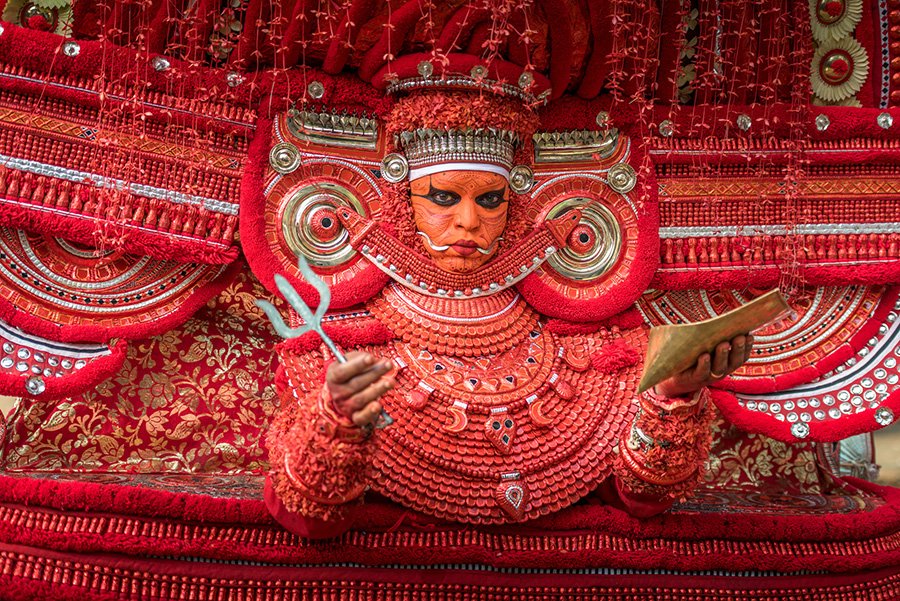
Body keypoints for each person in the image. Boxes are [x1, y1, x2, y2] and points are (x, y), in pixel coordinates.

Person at [264, 81, 753, 538]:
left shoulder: (585, 343)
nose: (470, 220)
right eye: (443, 198)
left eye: (491, 200)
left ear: (514, 205)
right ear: (402, 200)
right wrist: (337, 421)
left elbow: (642, 498)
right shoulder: (341, 343)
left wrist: (674, 393)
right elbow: (304, 516)